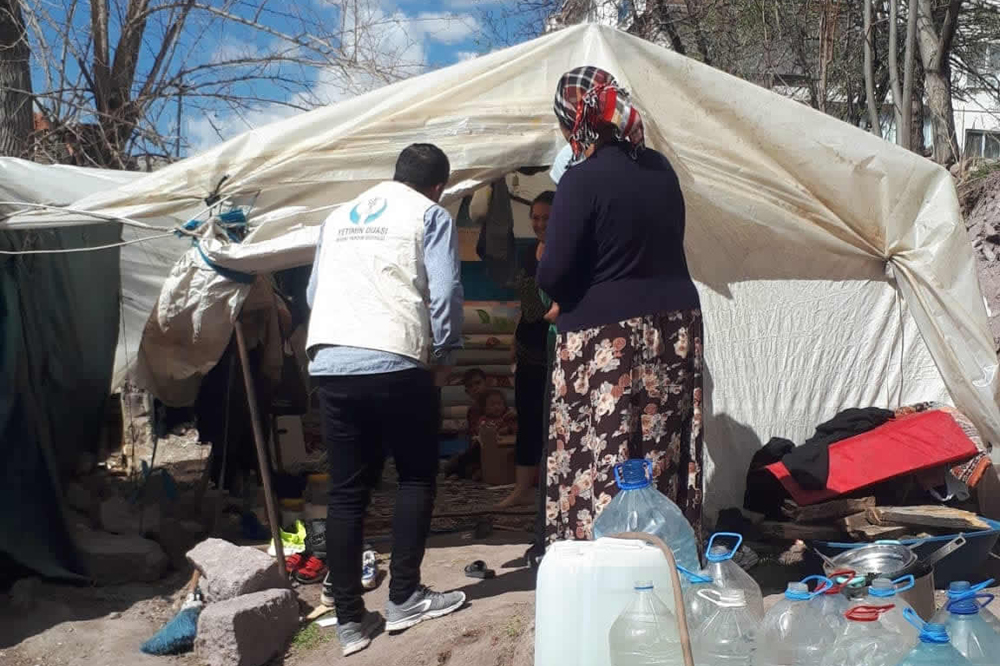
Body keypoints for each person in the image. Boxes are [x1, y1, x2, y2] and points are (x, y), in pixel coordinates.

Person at [306, 143, 466, 656]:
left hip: (330, 361)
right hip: (396, 359)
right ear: (438, 185)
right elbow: (443, 293)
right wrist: (445, 351)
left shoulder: (336, 218)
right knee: (416, 474)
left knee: (347, 492)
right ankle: (403, 598)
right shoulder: (430, 214)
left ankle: (351, 620)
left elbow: (314, 293)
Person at [537, 66, 705, 544]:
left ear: (572, 121)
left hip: (605, 337)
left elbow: (555, 273)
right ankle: (664, 555)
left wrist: (548, 280)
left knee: (603, 454)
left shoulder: (581, 179)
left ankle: (604, 565)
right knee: (660, 448)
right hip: (674, 328)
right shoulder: (661, 169)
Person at [498, 192, 555, 508]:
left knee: (553, 421)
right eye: (535, 217)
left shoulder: (565, 251)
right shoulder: (527, 253)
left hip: (556, 348)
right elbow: (528, 306)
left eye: (547, 217)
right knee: (528, 419)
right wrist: (512, 340)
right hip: (528, 347)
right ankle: (522, 489)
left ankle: (552, 488)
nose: (540, 223)